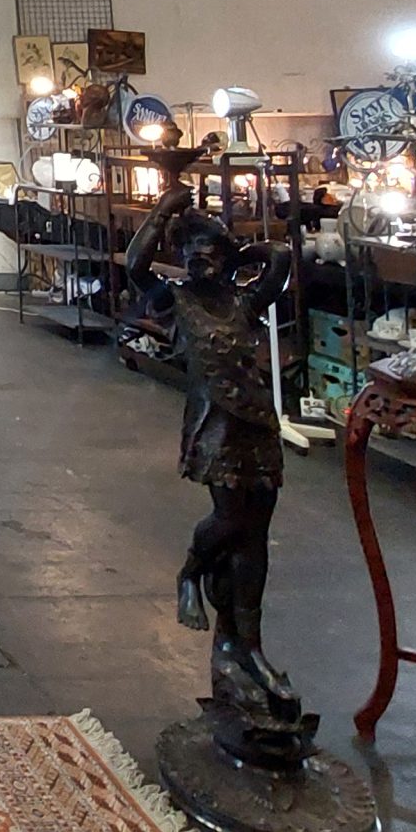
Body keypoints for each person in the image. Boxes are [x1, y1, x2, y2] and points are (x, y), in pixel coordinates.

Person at [124, 182, 297, 722]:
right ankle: (191, 571)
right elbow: (135, 266)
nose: (200, 261)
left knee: (255, 534)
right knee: (231, 518)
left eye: (210, 253)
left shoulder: (242, 301)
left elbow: (280, 258)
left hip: (257, 423)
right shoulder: (178, 302)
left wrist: (241, 252)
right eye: (191, 253)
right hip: (214, 426)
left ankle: (249, 647)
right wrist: (165, 210)